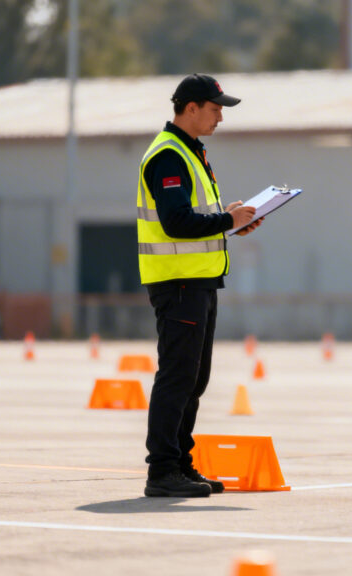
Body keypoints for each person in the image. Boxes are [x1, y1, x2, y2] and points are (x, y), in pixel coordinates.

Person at [137, 73, 262, 497]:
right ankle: (162, 470)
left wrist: (230, 222)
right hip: (179, 284)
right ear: (190, 108)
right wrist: (228, 221)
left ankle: (180, 463)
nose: (221, 117)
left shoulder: (191, 151)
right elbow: (175, 223)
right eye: (215, 108)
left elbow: (196, 219)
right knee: (177, 376)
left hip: (199, 282)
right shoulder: (169, 156)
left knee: (195, 378)